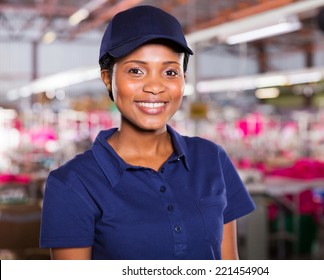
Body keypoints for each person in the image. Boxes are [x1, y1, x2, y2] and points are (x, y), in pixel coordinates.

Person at [40, 5, 255, 260]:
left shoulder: (212, 159)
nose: (155, 87)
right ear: (108, 78)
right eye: (136, 71)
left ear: (183, 79)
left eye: (170, 72)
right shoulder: (72, 184)